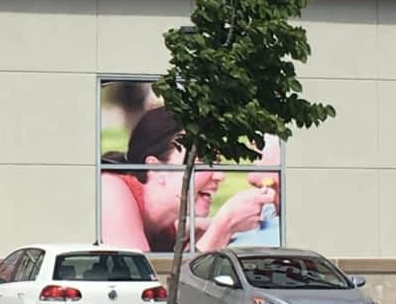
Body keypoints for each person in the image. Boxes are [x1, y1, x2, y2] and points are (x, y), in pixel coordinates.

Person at [99, 106, 276, 252]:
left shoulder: (166, 228)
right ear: (156, 167)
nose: (220, 175)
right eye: (202, 161)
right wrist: (223, 227)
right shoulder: (110, 191)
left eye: (217, 162)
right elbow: (152, 289)